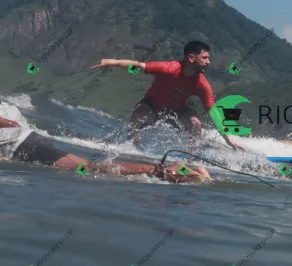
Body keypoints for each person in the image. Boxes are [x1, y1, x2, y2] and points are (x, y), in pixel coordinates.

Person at [89, 40, 245, 152]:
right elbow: (138, 65)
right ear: (191, 58)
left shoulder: (202, 85)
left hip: (178, 111)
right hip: (152, 106)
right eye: (204, 58)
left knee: (196, 123)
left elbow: (214, 113)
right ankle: (131, 148)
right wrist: (110, 62)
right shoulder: (169, 68)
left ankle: (191, 155)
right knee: (139, 114)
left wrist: (229, 140)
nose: (208, 62)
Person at [0, 116, 211, 183]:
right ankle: (173, 171)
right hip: (28, 138)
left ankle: (167, 171)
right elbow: (13, 124)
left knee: (90, 168)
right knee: (89, 167)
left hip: (22, 146)